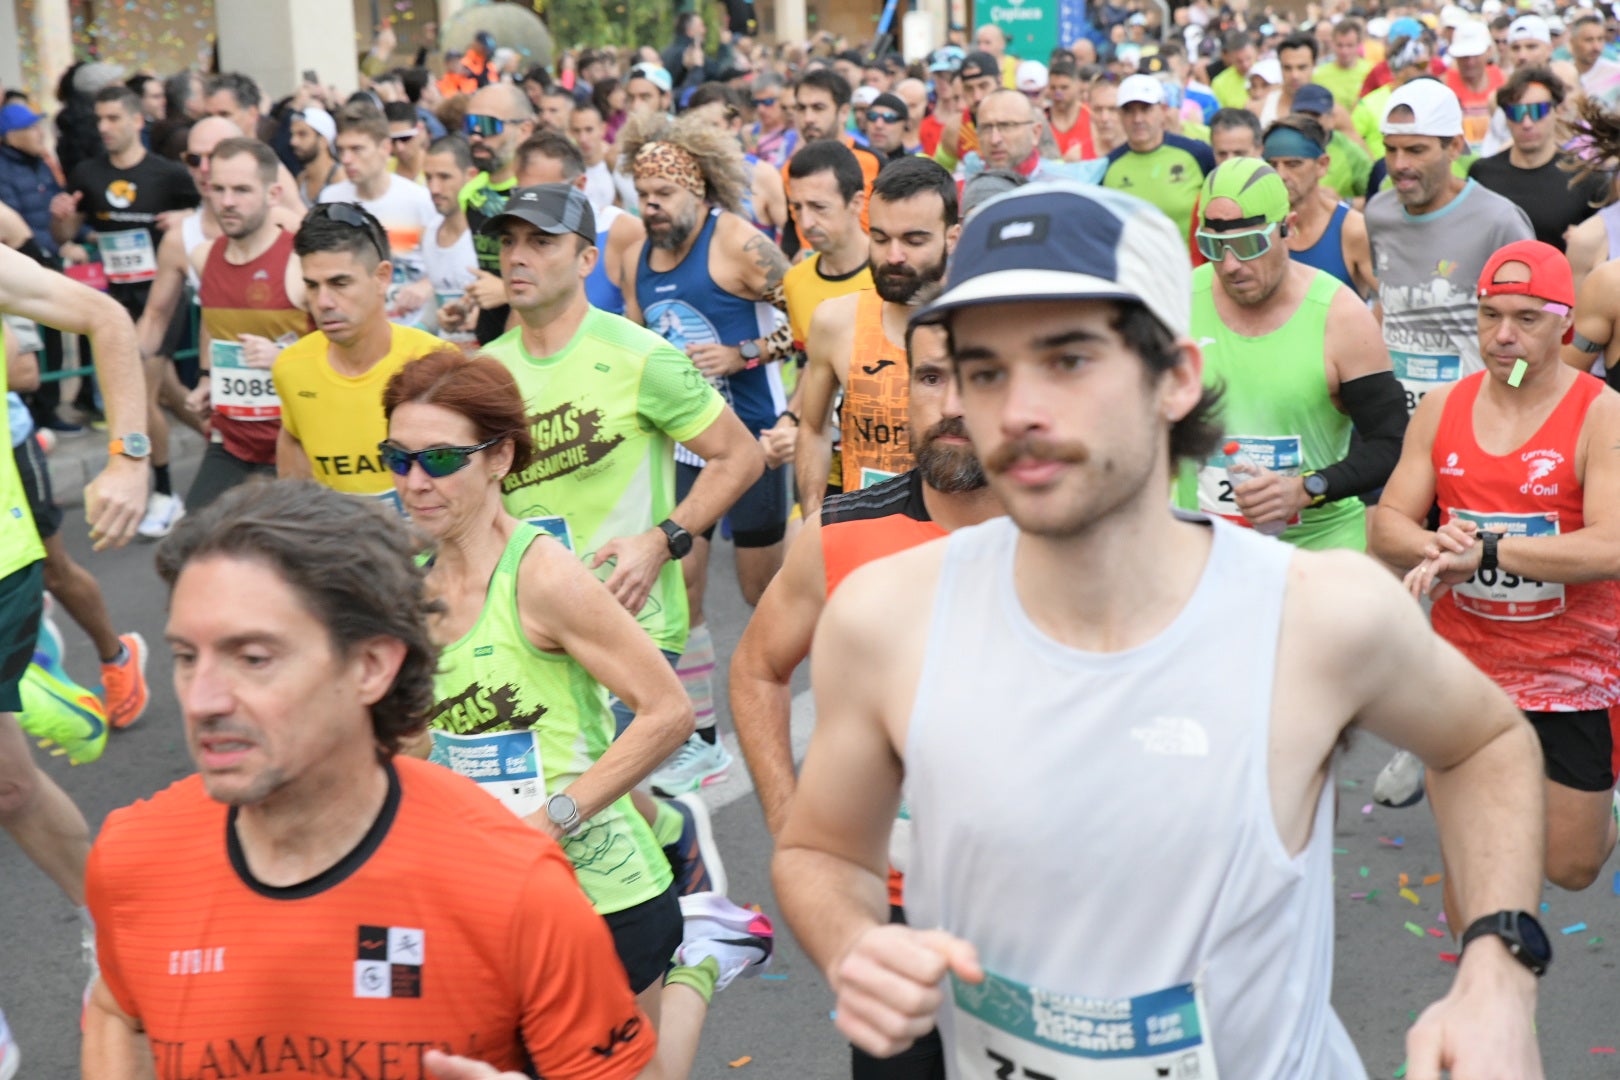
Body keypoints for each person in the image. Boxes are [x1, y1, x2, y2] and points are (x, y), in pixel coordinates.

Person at [774, 180, 1550, 1080]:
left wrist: (1499, 969)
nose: (1016, 409)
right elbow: (822, 850)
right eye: (985, 369)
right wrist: (852, 945)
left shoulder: (1314, 614)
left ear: (1177, 378)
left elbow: (1488, 743)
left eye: (1067, 361)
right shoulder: (886, 617)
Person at [83, 480, 664, 1080]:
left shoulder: (516, 889)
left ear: (371, 666)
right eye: (185, 657)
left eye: (253, 658)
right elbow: (113, 1010)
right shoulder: (133, 858)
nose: (202, 699)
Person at [383, 353, 771, 1066]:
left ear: (499, 456)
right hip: (478, 896)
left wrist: (547, 821)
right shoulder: (405, 585)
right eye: (398, 458)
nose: (415, 481)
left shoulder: (545, 577)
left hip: (597, 895)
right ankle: (702, 949)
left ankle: (702, 955)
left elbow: (666, 711)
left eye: (438, 458)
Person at [476, 182, 763, 798]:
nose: (518, 256)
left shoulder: (641, 356)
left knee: (588, 806)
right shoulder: (485, 372)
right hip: (531, 627)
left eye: (541, 242)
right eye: (509, 242)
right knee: (570, 811)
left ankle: (676, 857)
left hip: (629, 624)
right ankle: (680, 847)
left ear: (586, 260)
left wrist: (662, 541)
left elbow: (740, 457)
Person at [1371, 239, 1620, 900]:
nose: (1504, 336)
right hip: (1466, 672)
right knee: (1476, 862)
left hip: (1571, 674)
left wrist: (1485, 551)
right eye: (1490, 316)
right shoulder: (1442, 407)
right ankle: (1497, 1002)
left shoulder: (1600, 413)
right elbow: (1387, 522)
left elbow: (1612, 546)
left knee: (1570, 867)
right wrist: (1432, 545)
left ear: (1567, 323)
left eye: (1527, 319)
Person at [0, 243, 149, 1073]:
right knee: (11, 786)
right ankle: (117, 927)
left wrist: (129, 456)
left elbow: (106, 315)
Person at [616, 111, 793, 791]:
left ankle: (825, 690)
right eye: (642, 194)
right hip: (685, 451)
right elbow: (637, 339)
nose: (651, 207)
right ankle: (703, 738)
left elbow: (806, 317)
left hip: (749, 444)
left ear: (697, 190)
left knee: (764, 595)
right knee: (683, 590)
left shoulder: (740, 244)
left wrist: (743, 352)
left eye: (662, 195)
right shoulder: (639, 257)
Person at [1175, 157, 1403, 551]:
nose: (1229, 265)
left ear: (1289, 229)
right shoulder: (1177, 300)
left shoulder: (1340, 316)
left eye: (1248, 245)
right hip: (1200, 549)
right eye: (1213, 247)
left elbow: (1392, 442)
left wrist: (1306, 489)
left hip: (1313, 551)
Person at [55, 84, 199, 538]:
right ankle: (228, 443)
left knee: (147, 393)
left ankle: (162, 491)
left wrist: (187, 219)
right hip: (114, 296)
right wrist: (63, 220)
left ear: (138, 121)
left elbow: (206, 216)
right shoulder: (87, 172)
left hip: (162, 295)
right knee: (172, 395)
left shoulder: (169, 175)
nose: (105, 128)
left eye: (114, 118)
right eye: (100, 120)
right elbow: (69, 230)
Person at [796, 158, 959, 516]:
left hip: (950, 543)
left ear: (952, 238)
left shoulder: (979, 327)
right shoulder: (836, 320)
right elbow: (813, 428)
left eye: (914, 240)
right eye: (881, 239)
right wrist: (813, 516)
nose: (894, 256)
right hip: (863, 537)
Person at [1366, 79, 1532, 418]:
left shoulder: (1499, 221)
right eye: (1390, 149)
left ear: (1454, 146)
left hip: (1476, 420)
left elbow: (1539, 331)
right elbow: (1389, 298)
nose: (1398, 165)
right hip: (1397, 422)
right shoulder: (1377, 213)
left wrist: (1514, 397)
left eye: (1415, 150)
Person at [272, 203, 446, 499]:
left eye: (340, 283)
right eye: (312, 286)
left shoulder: (436, 362)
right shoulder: (291, 367)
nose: (324, 302)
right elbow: (295, 480)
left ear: (382, 277)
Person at [186, 138, 311, 510]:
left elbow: (345, 348)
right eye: (218, 189)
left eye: (241, 190)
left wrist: (284, 357)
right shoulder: (203, 258)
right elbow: (214, 322)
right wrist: (208, 377)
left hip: (295, 440)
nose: (227, 201)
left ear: (273, 194)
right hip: (231, 441)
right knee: (194, 543)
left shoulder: (300, 262)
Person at [321, 102, 441, 326]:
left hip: (412, 328)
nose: (346, 160)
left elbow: (446, 267)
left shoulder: (419, 199)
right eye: (341, 150)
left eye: (357, 149)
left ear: (385, 148)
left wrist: (424, 287)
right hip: (355, 327)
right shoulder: (331, 200)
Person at [1468, 67, 1605, 251]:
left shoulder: (1585, 177)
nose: (1526, 123)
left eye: (1538, 110)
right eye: (1516, 112)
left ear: (1557, 111)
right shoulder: (1482, 173)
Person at [514, 130, 645, 318]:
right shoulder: (518, 239)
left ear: (579, 186)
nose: (533, 205)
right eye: (522, 194)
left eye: (546, 194)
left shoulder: (623, 230)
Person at [453, 82, 537, 345]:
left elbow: (570, 280)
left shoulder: (538, 193)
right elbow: (490, 270)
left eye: (488, 124)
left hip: (536, 340)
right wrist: (468, 303)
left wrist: (506, 292)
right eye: (470, 124)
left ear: (524, 130)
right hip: (491, 342)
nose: (477, 135)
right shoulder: (469, 194)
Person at [1264, 115, 1376, 295]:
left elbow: (1393, 301)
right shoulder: (1258, 228)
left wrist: (1365, 323)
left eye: (1293, 164)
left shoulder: (1352, 229)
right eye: (1272, 165)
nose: (1281, 174)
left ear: (1322, 165)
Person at [783, 141, 873, 363]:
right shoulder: (795, 281)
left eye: (818, 207)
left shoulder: (896, 275)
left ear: (856, 203)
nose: (806, 222)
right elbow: (811, 370)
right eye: (797, 208)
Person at [1101, 74, 1217, 242]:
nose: (1137, 119)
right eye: (1129, 111)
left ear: (1163, 110)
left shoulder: (1198, 154)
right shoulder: (1108, 166)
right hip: (1134, 267)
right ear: (1119, 115)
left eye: (1145, 109)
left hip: (1191, 266)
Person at [420, 135, 481, 341]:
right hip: (449, 361)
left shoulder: (487, 233)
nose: (434, 189)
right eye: (429, 177)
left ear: (471, 176)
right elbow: (438, 301)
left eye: (444, 177)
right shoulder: (430, 232)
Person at [963, 89, 1095, 182]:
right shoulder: (966, 187)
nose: (994, 139)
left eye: (1007, 126)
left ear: (1035, 133)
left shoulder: (1064, 188)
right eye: (986, 128)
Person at [1290, 84, 1373, 204]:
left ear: (1332, 118)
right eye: (1301, 115)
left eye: (1315, 115)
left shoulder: (1350, 152)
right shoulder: (1278, 146)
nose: (1308, 122)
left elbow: (1378, 197)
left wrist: (1343, 202)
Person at [1445, 21, 1506, 155]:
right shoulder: (1444, 85)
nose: (1470, 62)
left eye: (1475, 55)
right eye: (1464, 57)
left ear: (1489, 52)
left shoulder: (1502, 80)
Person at [1314, 17, 1374, 109]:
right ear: (1332, 43)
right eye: (1340, 45)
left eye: (1350, 45)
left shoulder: (1371, 71)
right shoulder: (1318, 75)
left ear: (1359, 44)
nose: (1344, 51)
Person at [287, 106, 342, 206]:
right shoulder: (301, 179)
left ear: (323, 141)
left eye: (302, 134)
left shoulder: (341, 179)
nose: (293, 142)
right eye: (293, 134)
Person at [749, 73, 799, 169]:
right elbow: (752, 157)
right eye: (756, 103)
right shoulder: (755, 130)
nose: (760, 109)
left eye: (768, 102)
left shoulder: (794, 130)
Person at [383, 100, 429, 183]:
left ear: (420, 129)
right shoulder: (382, 171)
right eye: (392, 140)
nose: (399, 147)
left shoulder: (435, 170)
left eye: (405, 138)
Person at [1212, 30, 1259, 109]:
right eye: (1239, 61)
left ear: (1256, 52)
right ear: (1230, 58)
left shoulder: (1270, 75)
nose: (1245, 65)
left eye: (1248, 58)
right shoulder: (1219, 83)